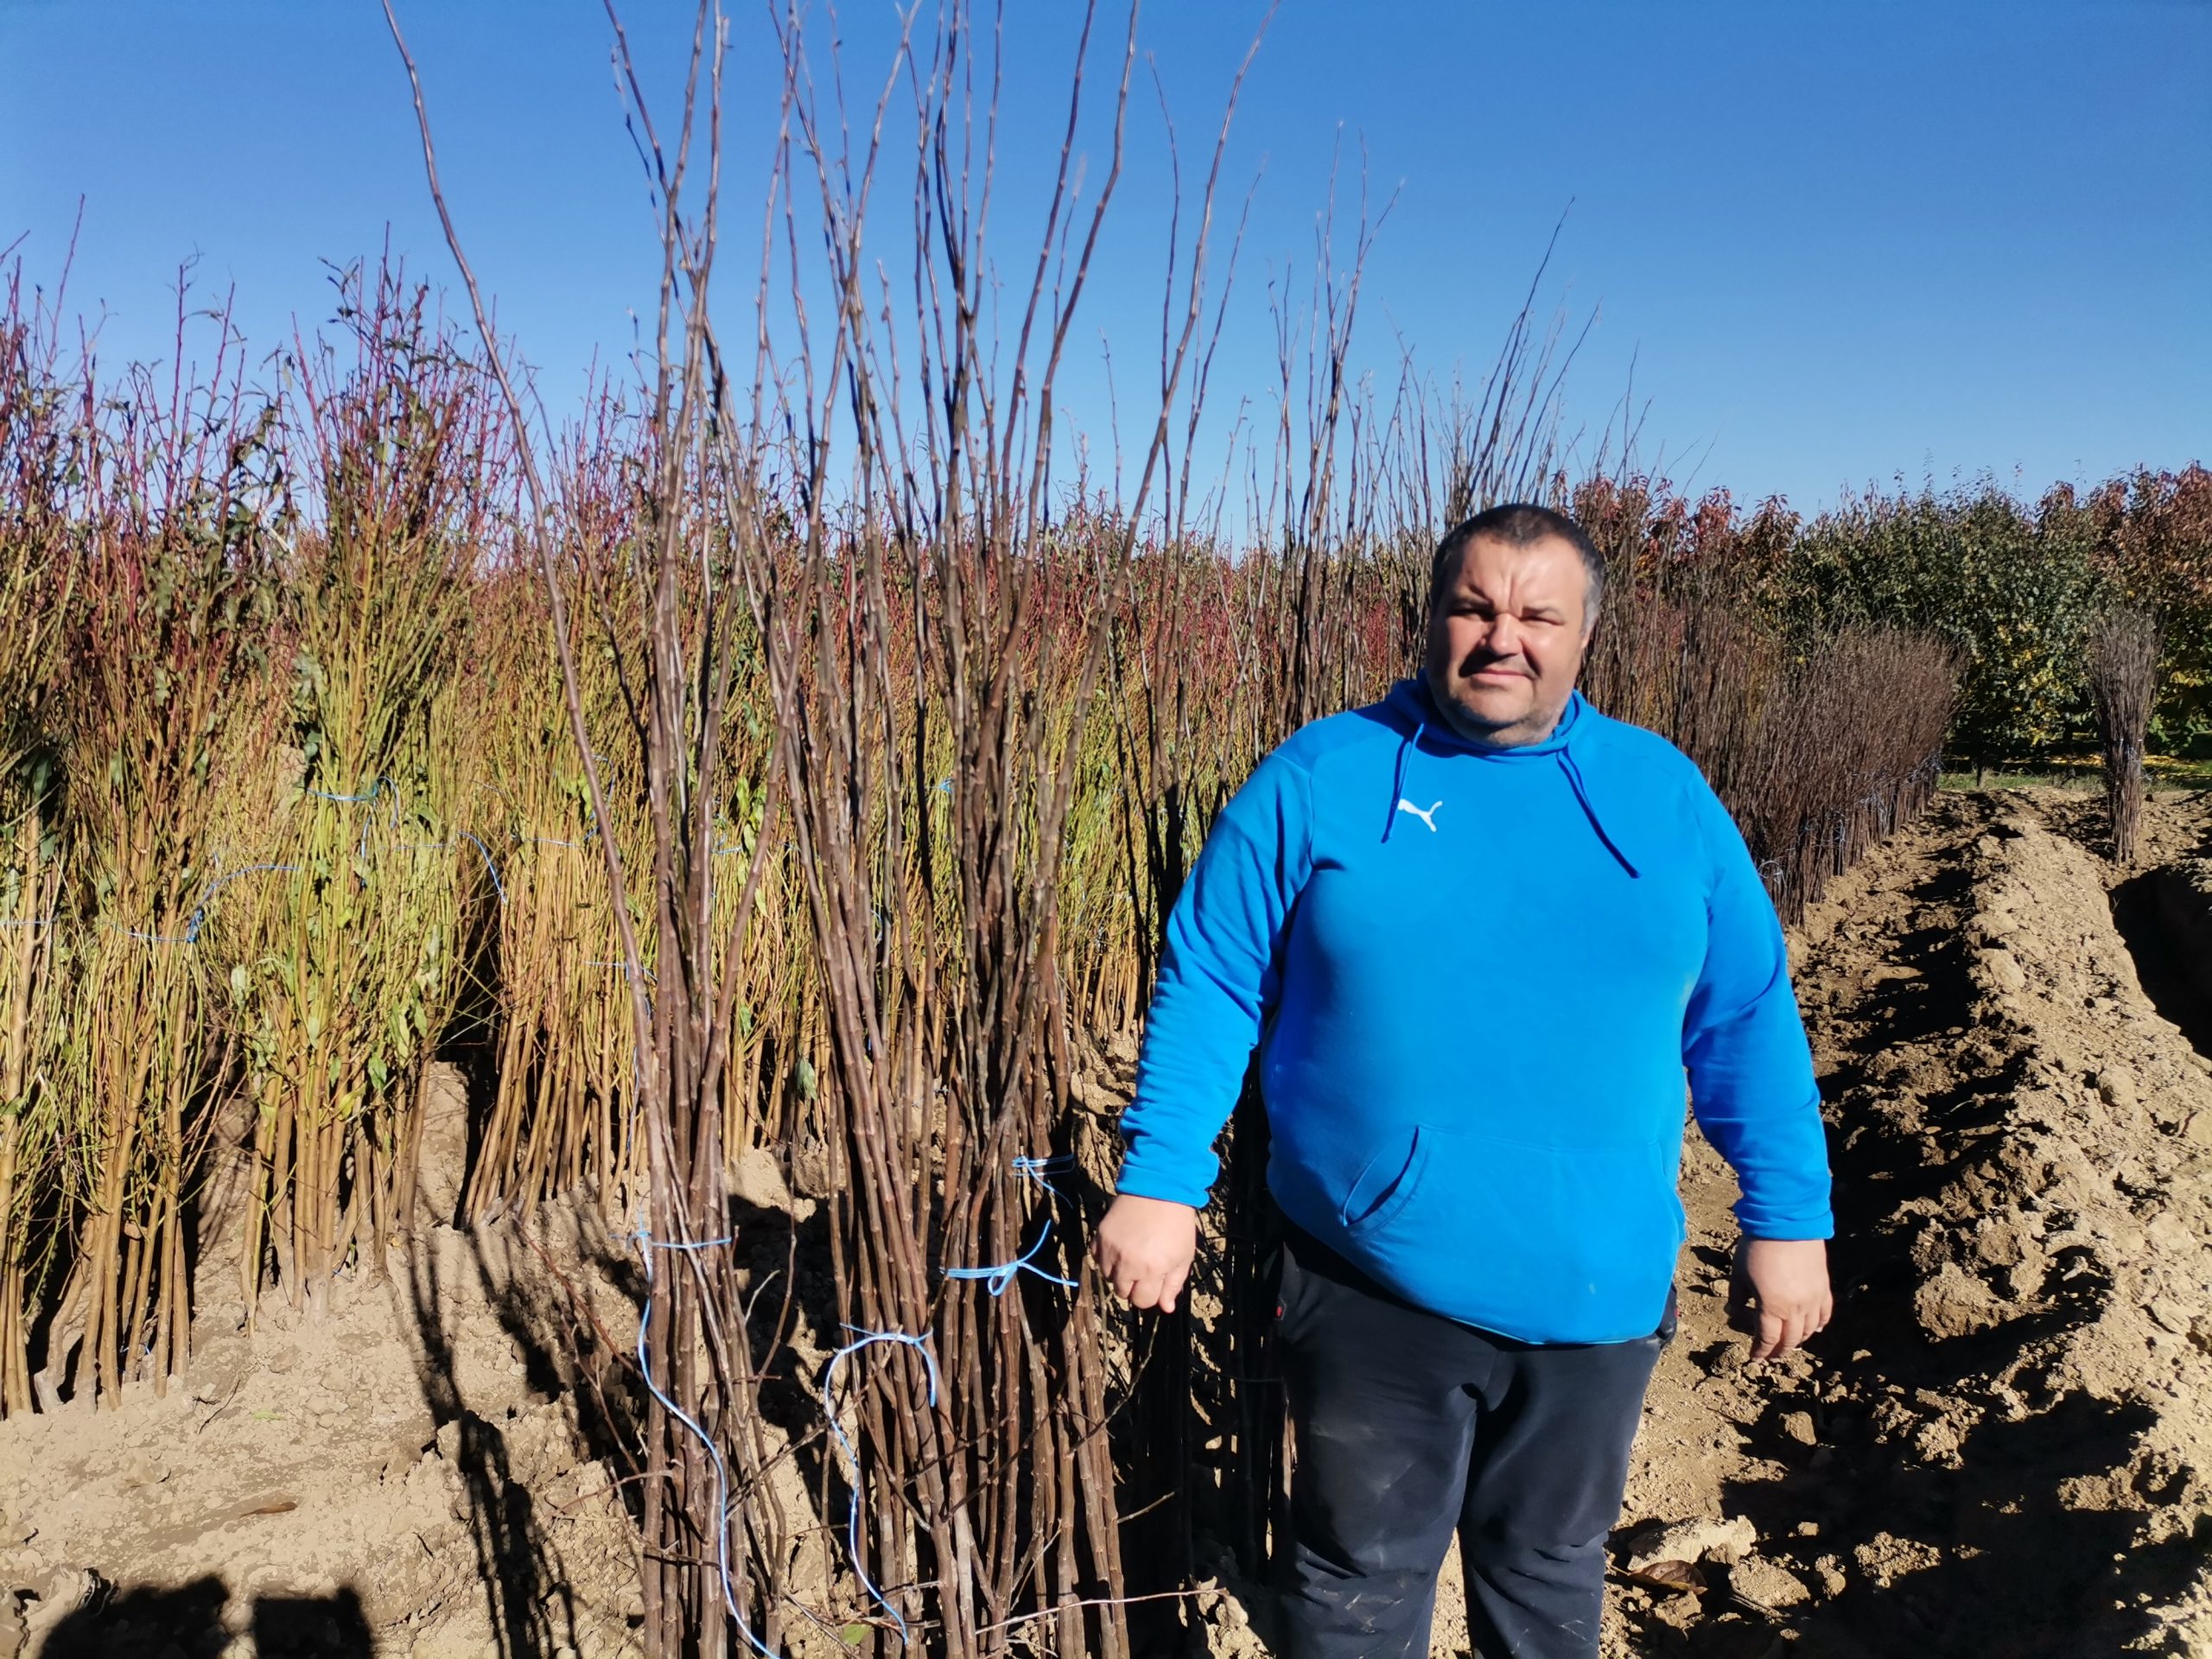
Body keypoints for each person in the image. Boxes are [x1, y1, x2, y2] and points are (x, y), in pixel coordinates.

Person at [1092, 503, 1834, 1659]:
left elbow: (1743, 1015)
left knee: (1545, 1577)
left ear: (1585, 635)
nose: (1505, 638)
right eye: (1475, 608)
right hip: (1371, 1279)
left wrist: (1787, 1218)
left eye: (1540, 614)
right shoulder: (1324, 778)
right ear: (1429, 620)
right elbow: (1213, 981)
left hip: (1598, 1288)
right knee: (1355, 1584)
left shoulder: (1662, 796)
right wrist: (1160, 1181)